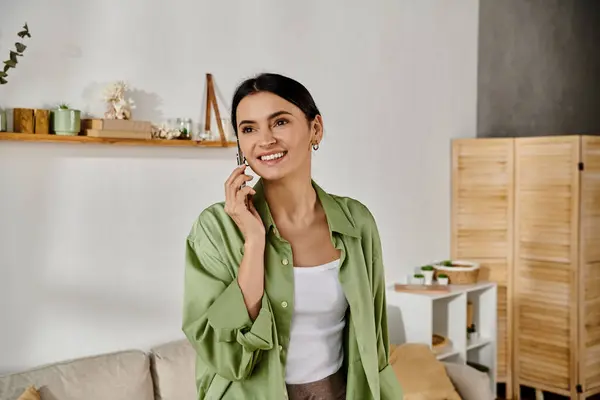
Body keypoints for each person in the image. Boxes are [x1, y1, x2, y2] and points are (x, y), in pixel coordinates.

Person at [182, 73, 403, 400]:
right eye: (249, 129)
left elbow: (375, 342)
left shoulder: (356, 222)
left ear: (316, 128)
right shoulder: (216, 229)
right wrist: (255, 242)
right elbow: (223, 353)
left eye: (280, 122)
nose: (265, 139)